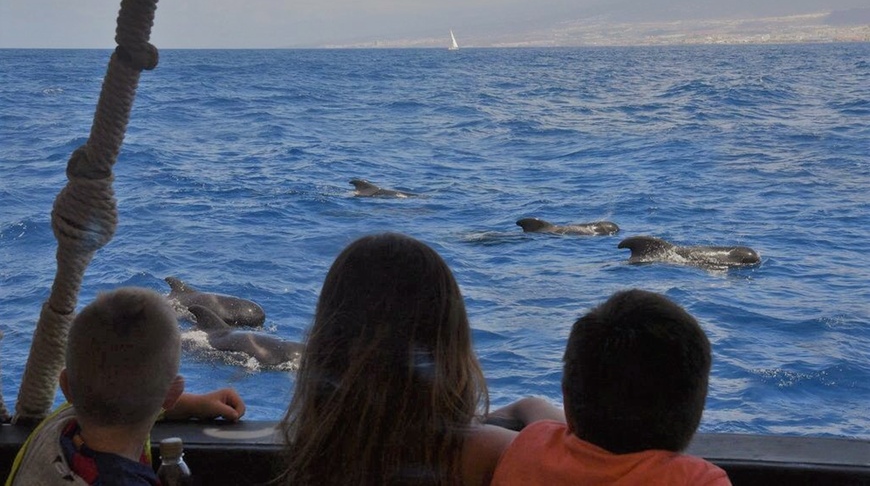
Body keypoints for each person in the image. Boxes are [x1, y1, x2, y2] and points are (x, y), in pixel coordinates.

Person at [276, 233, 560, 486]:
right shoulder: (485, 450)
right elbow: (581, 455)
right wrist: (532, 406)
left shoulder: (321, 450)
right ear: (449, 342)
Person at [6, 287, 246, 486]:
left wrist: (194, 405)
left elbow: (114, 397)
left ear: (66, 386)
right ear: (171, 394)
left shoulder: (56, 427)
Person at [491, 289, 731, 485]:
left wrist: (528, 405)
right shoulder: (697, 481)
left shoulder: (529, 449)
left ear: (566, 397)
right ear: (698, 406)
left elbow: (544, 426)